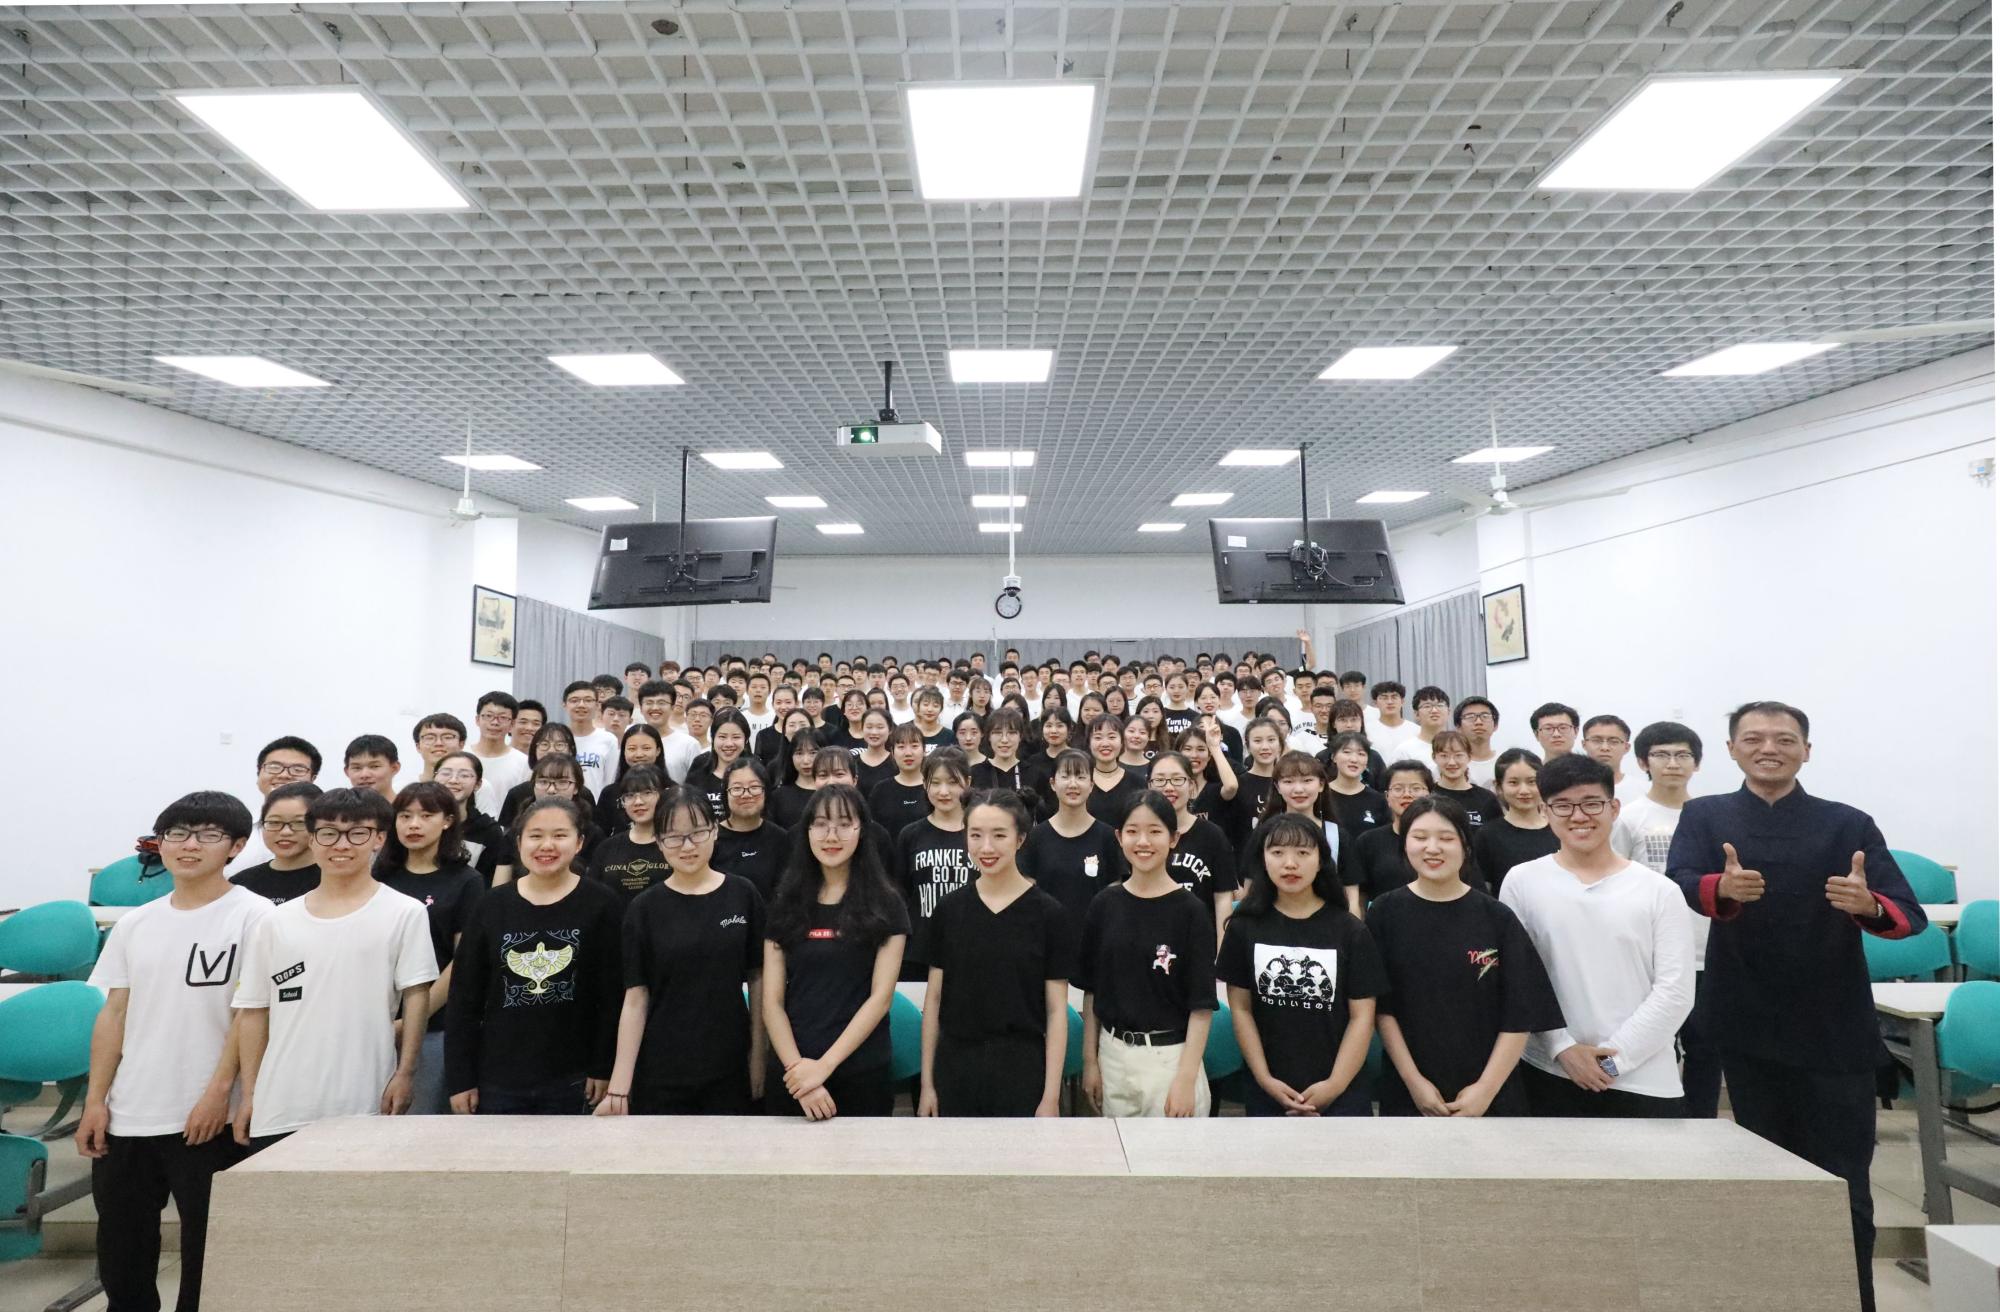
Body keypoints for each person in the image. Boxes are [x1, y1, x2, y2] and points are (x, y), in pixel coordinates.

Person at [1667, 701, 1925, 1312]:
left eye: (1785, 739)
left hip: (1834, 1026)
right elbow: (1677, 882)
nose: (1769, 748)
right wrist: (1720, 888)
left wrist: (1867, 905)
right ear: (1731, 749)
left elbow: (1907, 914)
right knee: (1765, 1176)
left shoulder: (1848, 823)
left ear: (1807, 751)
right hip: (1746, 1021)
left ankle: (1853, 1299)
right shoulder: (1705, 815)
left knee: (1844, 1181)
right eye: (1754, 738)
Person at [80, 791, 272, 1312]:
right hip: (128, 1112)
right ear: (159, 844)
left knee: (207, 1256)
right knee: (122, 1256)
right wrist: (96, 1100)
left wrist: (219, 1094)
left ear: (236, 846)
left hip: (207, 1116)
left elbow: (249, 1014)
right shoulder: (136, 923)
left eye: (208, 835)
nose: (189, 845)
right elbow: (114, 1014)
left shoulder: (256, 916)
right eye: (177, 834)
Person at [231, 788, 437, 1146]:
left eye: (357, 833)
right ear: (312, 839)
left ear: (379, 839)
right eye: (328, 833)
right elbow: (253, 1012)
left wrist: (406, 1073)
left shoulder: (405, 912)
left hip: (365, 1100)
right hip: (280, 1103)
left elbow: (416, 996)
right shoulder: (274, 921)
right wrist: (249, 1094)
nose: (341, 844)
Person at [1500, 754, 1694, 1118]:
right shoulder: (1522, 881)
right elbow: (1521, 978)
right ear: (1545, 811)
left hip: (1643, 1079)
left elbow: (1675, 992)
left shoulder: (1659, 891)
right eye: (1562, 805)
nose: (1578, 816)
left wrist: (1611, 1063)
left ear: (1614, 808)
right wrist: (1562, 1048)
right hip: (1549, 1070)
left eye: (1592, 803)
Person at [1367, 797, 1562, 1117]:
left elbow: (1519, 1012)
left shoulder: (1497, 917)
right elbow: (1382, 1009)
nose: (1432, 848)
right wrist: (1413, 1082)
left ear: (1466, 846)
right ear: (1404, 845)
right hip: (1409, 1091)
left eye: (1446, 838)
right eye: (1420, 837)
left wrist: (1486, 1090)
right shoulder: (1383, 913)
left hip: (1492, 1092)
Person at [445, 797, 624, 1115]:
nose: (547, 845)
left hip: (575, 1076)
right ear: (519, 843)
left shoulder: (603, 904)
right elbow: (464, 998)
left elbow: (612, 996)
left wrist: (603, 1066)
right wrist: (461, 1078)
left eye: (560, 835)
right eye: (536, 835)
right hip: (498, 1076)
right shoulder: (491, 906)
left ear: (579, 842)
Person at [596, 787, 767, 1116]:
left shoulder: (743, 894)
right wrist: (620, 1085)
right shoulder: (643, 908)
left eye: (697, 833)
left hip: (730, 1063)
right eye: (674, 837)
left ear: (714, 831)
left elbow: (758, 979)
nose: (687, 846)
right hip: (661, 1067)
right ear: (659, 842)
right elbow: (635, 999)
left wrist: (759, 1054)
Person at [1219, 812, 1385, 1117]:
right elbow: (1241, 1009)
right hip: (1268, 1088)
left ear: (1321, 860)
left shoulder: (1351, 930)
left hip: (1342, 1091)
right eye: (1277, 852)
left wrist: (1334, 1085)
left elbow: (1362, 1017)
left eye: (1303, 853)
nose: (1290, 863)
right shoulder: (1243, 927)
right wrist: (1265, 1079)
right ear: (1262, 859)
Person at [917, 791, 1071, 1118]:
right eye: (976, 835)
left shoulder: (1049, 914)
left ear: (1020, 839)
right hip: (955, 1066)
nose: (986, 848)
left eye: (999, 835)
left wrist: (1051, 1097)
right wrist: (927, 1085)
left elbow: (1057, 1011)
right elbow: (934, 999)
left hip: (1022, 1068)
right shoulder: (949, 909)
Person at [762, 784, 910, 1119]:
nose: (832, 836)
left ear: (862, 830)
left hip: (861, 1070)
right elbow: (771, 1003)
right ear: (807, 831)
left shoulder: (887, 904)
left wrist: (823, 1068)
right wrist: (801, 1075)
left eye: (844, 824)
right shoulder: (785, 902)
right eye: (821, 824)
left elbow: (880, 999)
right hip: (792, 1073)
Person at [1077, 791, 1217, 1118]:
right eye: (1132, 831)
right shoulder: (1104, 904)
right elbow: (1092, 991)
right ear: (1119, 837)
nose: (1143, 842)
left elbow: (1201, 1006)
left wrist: (1185, 1079)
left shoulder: (1191, 911)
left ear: (1173, 839)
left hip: (1170, 1060)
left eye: (1155, 831)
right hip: (1113, 1056)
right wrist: (1090, 1062)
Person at [1613, 721, 1719, 1117]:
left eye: (1682, 755)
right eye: (1661, 754)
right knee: (1655, 1045)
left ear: (1697, 763)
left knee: (1707, 1048)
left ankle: (1702, 1125)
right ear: (1643, 762)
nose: (1672, 763)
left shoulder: (1712, 817)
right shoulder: (1629, 818)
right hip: (1650, 954)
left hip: (1706, 952)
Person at [372, 782, 486, 1116]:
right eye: (405, 816)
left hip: (435, 1025)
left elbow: (461, 961)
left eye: (426, 815)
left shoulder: (466, 881)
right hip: (375, 1020)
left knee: (418, 1120)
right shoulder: (379, 875)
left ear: (448, 821)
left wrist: (410, 1021)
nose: (413, 824)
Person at [1020, 749, 1126, 948]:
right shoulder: (1035, 837)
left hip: (1095, 944)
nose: (1073, 784)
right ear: (1053, 783)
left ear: (1091, 785)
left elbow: (1113, 897)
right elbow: (1028, 896)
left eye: (1080, 776)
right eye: (1066, 776)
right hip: (1047, 942)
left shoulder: (1107, 837)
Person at [1346, 761, 1482, 904]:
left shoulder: (1452, 840)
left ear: (1431, 794)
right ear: (1387, 796)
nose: (1407, 794)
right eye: (1398, 788)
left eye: (1416, 788)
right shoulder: (1369, 841)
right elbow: (1360, 894)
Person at [892, 748, 974, 984]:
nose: (943, 791)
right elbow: (900, 894)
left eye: (952, 782)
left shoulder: (980, 833)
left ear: (968, 782)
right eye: (935, 783)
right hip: (920, 951)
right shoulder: (910, 834)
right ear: (924, 784)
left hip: (971, 947)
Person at [1149, 752, 1239, 947]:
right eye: (1160, 780)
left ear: (1191, 785)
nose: (1169, 787)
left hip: (1200, 944)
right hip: (1149, 942)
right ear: (1149, 786)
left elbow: (1223, 898)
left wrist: (1222, 953)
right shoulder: (1140, 835)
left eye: (1177, 779)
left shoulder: (1212, 836)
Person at [1256, 751, 1357, 915]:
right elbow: (1252, 888)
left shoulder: (1336, 835)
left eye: (1307, 780)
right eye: (1288, 781)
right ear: (1277, 787)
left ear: (1321, 784)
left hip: (1328, 922)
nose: (1298, 789)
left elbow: (1351, 896)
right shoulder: (1264, 833)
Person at [492, 755, 602, 886]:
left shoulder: (593, 833)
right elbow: (499, 885)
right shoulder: (517, 831)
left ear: (576, 788)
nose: (551, 790)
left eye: (562, 782)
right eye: (543, 782)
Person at [1471, 748, 1560, 897]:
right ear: (1499, 787)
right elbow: (1483, 892)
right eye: (1513, 782)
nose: (1524, 790)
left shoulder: (1560, 830)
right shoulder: (1487, 836)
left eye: (1531, 782)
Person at [228, 736, 322, 873]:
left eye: (297, 769)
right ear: (259, 773)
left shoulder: (324, 828)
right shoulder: (233, 828)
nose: (284, 775)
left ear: (313, 779)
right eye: (274, 767)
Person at [588, 765, 669, 908]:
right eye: (630, 795)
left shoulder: (674, 844)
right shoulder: (607, 848)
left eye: (647, 793)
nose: (638, 802)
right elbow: (594, 895)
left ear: (663, 795)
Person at [231, 781, 323, 904]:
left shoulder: (334, 879)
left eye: (299, 822)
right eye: (274, 822)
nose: (285, 832)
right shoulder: (241, 884)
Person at [712, 758, 786, 899]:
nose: (746, 795)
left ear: (766, 791)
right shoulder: (712, 839)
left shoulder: (780, 838)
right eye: (737, 788)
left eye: (754, 787)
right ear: (725, 794)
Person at [433, 752, 508, 882]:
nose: (453, 780)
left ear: (477, 784)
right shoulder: (418, 821)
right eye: (446, 773)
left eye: (464, 775)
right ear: (434, 778)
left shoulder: (488, 830)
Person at [498, 723, 577, 829]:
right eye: (544, 744)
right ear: (534, 750)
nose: (551, 750)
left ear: (571, 750)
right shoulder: (517, 793)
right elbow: (508, 834)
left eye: (559, 745)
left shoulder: (582, 793)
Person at [684, 711, 753, 821]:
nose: (729, 744)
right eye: (722, 737)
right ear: (713, 738)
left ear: (746, 740)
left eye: (736, 737)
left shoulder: (755, 769)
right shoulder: (700, 765)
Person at [1321, 732, 1387, 843]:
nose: (1354, 759)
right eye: (1347, 752)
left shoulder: (1379, 800)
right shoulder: (1321, 796)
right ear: (1333, 757)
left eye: (1361, 754)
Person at [868, 721, 932, 835]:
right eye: (901, 747)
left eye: (914, 746)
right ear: (892, 753)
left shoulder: (933, 787)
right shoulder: (881, 790)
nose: (908, 753)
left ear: (924, 750)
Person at [595, 723, 667, 823]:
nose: (639, 754)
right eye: (632, 749)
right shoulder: (610, 793)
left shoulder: (670, 790)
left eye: (646, 748)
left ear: (658, 751)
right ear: (624, 752)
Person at [1430, 731, 1502, 827]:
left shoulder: (1486, 799)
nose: (1451, 762)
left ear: (1469, 757)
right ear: (1434, 758)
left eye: (1458, 755)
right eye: (1444, 756)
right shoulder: (1428, 795)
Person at [1083, 713, 1144, 824]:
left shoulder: (1138, 783)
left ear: (1122, 742)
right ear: (1089, 743)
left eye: (1112, 737)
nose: (1105, 744)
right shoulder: (1081, 781)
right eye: (1098, 737)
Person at [1176, 722, 1238, 830]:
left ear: (1209, 756)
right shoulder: (1171, 791)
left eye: (1201, 749)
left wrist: (1214, 747)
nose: (1194, 755)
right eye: (1187, 749)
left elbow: (1231, 786)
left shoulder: (1216, 790)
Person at [561, 681, 620, 794]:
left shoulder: (608, 740)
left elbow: (610, 781)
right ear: (564, 704)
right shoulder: (557, 738)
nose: (581, 705)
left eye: (588, 700)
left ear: (597, 705)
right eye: (574, 700)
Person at [1581, 714, 1649, 802]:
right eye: (1596, 740)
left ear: (1626, 747)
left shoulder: (1646, 791)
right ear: (1584, 744)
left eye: (1613, 741)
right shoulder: (1568, 788)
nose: (1605, 748)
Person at [769, 727, 822, 829]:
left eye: (813, 753)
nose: (806, 761)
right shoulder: (778, 796)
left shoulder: (832, 793)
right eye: (799, 753)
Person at [1453, 696, 1503, 788]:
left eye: (1485, 716)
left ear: (1495, 725)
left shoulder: (1506, 762)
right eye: (1470, 717)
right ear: (1458, 727)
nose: (1478, 722)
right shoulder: (1451, 764)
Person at [661, 699, 713, 784]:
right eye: (693, 715)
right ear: (685, 719)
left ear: (711, 720)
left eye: (703, 715)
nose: (697, 719)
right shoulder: (675, 746)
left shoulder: (715, 750)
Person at [341, 734, 401, 802]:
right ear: (347, 772)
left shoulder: (407, 808)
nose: (364, 775)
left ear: (394, 768)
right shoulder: (337, 808)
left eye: (374, 766)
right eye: (357, 768)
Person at [852, 708, 897, 795]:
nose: (874, 732)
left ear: (890, 730)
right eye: (869, 727)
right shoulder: (852, 762)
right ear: (862, 728)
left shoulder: (897, 762)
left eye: (880, 727)